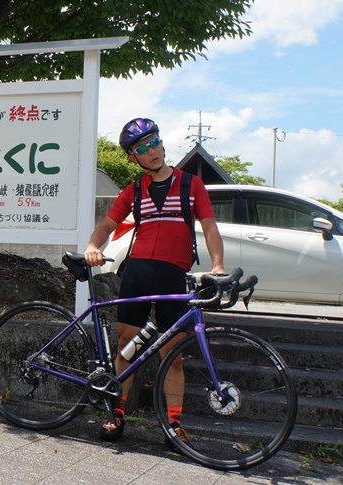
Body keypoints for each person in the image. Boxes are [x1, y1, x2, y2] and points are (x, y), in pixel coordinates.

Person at [84, 117, 225, 443]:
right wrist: (93, 245)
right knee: (127, 348)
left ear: (162, 143)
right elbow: (106, 225)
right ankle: (116, 413)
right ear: (133, 157)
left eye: (154, 142)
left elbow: (210, 227)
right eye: (142, 149)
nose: (152, 151)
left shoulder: (191, 185)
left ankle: (173, 426)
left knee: (172, 355)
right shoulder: (133, 191)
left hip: (172, 277)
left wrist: (217, 265)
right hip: (137, 274)